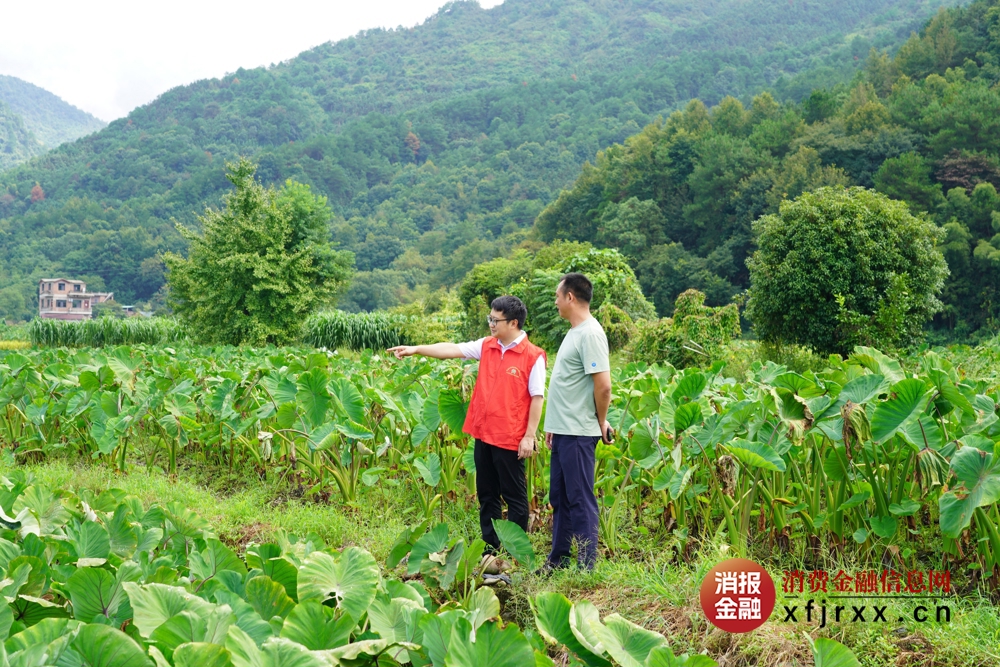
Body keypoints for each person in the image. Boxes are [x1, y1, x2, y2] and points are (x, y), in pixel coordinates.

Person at [388, 295, 546, 557]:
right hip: (483, 434)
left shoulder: (533, 356)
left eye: (496, 320)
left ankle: (515, 553)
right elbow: (452, 349)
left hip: (509, 437)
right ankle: (490, 549)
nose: (491, 324)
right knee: (487, 494)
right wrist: (416, 348)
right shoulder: (488, 345)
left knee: (516, 498)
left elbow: (537, 398)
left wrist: (529, 436)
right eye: (490, 319)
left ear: (514, 323)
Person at [542, 272, 612, 571]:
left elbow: (604, 385)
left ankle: (587, 566)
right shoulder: (574, 331)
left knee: (580, 498)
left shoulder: (591, 333)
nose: (556, 302)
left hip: (579, 432)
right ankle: (558, 560)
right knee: (560, 497)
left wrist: (602, 420)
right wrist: (552, 427)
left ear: (570, 297)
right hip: (563, 431)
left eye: (558, 296)